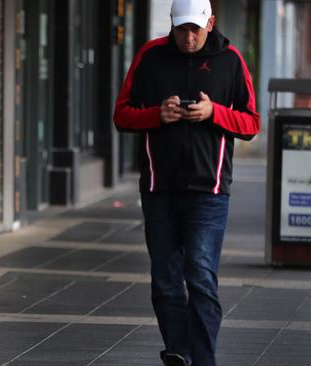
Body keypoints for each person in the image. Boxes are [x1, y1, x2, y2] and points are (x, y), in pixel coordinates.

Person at [113, 0, 260, 365]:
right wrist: (157, 114)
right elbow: (121, 115)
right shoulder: (150, 56)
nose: (189, 37)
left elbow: (251, 124)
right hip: (158, 188)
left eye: (195, 28)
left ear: (211, 23)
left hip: (209, 191)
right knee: (164, 279)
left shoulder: (231, 61)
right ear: (172, 24)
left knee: (199, 276)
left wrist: (215, 113)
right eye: (182, 29)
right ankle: (179, 350)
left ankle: (203, 359)